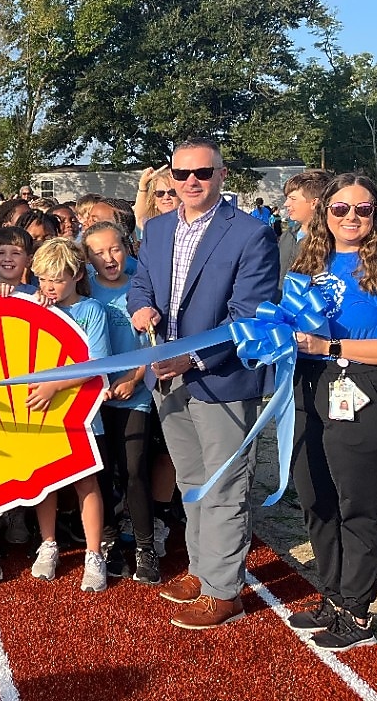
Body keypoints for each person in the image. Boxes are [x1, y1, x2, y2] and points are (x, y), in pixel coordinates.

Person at [128, 137, 279, 630]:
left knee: (225, 485)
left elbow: (248, 314)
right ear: (169, 178)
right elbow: (140, 284)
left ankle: (223, 590)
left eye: (202, 173)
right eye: (181, 173)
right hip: (167, 380)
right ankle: (201, 567)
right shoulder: (156, 229)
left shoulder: (252, 234)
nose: (191, 182)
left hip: (223, 378)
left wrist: (190, 359)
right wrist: (139, 309)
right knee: (192, 482)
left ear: (222, 174)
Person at [286, 174, 377, 651]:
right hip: (310, 388)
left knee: (356, 506)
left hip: (364, 391)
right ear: (324, 213)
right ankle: (333, 595)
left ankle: (358, 611)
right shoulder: (308, 265)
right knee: (315, 497)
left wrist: (334, 344)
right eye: (340, 208)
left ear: (376, 215)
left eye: (362, 209)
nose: (350, 217)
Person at [25, 238, 110, 593]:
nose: (49, 287)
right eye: (43, 279)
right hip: (41, 412)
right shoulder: (35, 306)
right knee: (44, 479)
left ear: (76, 275)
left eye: (56, 280)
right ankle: (48, 543)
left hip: (81, 410)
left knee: (85, 481)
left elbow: (98, 364)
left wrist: (55, 386)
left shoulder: (92, 310)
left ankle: (93, 553)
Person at [83, 221, 157, 584]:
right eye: (97, 252)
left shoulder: (140, 289)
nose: (108, 258)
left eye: (114, 249)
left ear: (126, 248)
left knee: (133, 471)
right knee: (102, 473)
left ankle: (146, 547)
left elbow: (156, 342)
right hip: (94, 400)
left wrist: (135, 377)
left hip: (134, 396)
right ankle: (109, 541)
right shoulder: (83, 287)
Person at [280, 169, 332, 277]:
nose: (286, 204)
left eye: (293, 199)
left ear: (314, 203)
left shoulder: (331, 242)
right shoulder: (287, 236)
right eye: (287, 198)